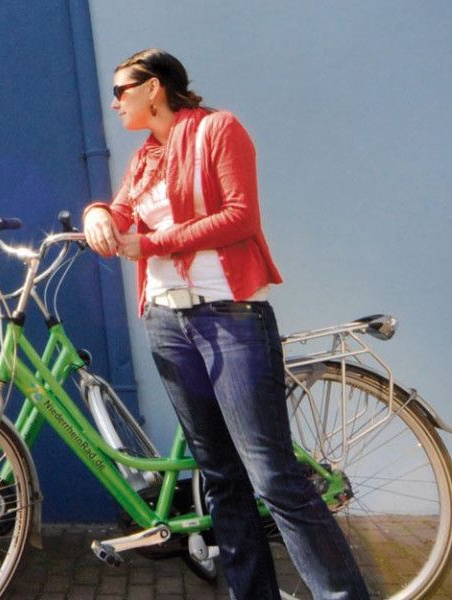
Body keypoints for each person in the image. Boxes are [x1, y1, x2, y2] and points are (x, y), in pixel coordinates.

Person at [83, 49, 369, 600]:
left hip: (230, 319)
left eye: (123, 89)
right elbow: (119, 212)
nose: (115, 101)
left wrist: (152, 243)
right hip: (167, 321)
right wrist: (99, 214)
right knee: (219, 479)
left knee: (273, 477)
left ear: (155, 88)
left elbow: (240, 216)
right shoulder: (146, 159)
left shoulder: (218, 129)